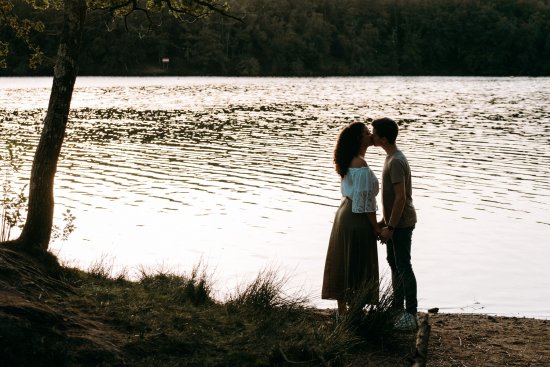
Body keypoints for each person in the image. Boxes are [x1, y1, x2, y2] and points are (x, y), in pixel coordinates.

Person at [322, 122, 381, 316]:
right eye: (366, 133)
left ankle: (343, 311)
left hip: (345, 212)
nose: (371, 135)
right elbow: (365, 201)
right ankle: (353, 311)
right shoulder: (359, 163)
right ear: (359, 138)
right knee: (357, 259)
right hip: (355, 216)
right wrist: (376, 227)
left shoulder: (350, 160)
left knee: (345, 258)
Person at [372, 117, 418, 331]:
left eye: (374, 133)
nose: (371, 136)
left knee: (403, 265)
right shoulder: (390, 158)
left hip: (402, 223)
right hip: (394, 222)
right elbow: (391, 199)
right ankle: (397, 308)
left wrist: (390, 228)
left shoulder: (397, 160)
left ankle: (411, 314)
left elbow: (401, 197)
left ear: (383, 138)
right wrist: (383, 222)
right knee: (393, 263)